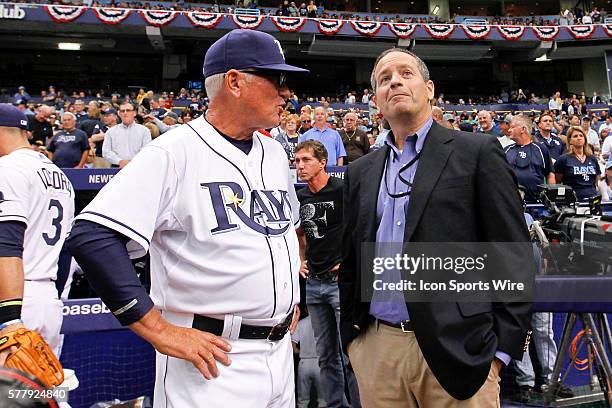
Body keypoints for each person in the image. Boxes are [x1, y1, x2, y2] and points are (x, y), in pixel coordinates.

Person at [67, 29, 308, 408]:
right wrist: (158, 330)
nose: (286, 92)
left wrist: (284, 295)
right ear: (234, 82)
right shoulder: (174, 151)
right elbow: (92, 236)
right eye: (276, 80)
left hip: (278, 352)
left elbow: (282, 230)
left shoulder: (275, 152)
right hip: (211, 361)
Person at [340, 48, 533, 407]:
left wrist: (502, 351)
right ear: (376, 102)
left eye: (405, 73)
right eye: (384, 79)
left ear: (429, 89)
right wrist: (353, 341)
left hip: (461, 350)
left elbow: (512, 252)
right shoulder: (360, 171)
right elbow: (352, 259)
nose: (394, 81)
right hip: (377, 349)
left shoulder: (476, 151)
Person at [0, 103, 74, 367]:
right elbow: (67, 250)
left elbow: (6, 245)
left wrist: (9, 317)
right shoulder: (59, 175)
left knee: (11, 397)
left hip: (13, 299)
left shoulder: (8, 169)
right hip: (47, 299)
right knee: (42, 394)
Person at [295, 141, 360, 408]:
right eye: (297, 161)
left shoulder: (342, 190)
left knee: (352, 354)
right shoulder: (301, 197)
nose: (300, 166)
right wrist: (300, 260)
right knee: (325, 356)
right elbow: (298, 232)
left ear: (323, 162)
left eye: (306, 160)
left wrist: (349, 260)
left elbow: (362, 226)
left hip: (339, 285)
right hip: (313, 284)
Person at [504, 115, 555, 203]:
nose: (509, 130)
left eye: (512, 127)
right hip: (511, 203)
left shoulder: (541, 149)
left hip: (537, 204)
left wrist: (551, 198)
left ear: (523, 129)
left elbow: (550, 174)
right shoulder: (506, 150)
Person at [554, 126, 601, 201]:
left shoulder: (592, 158)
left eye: (581, 135)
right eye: (575, 136)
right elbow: (557, 182)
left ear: (585, 139)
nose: (579, 138)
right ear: (569, 140)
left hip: (592, 199)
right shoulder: (563, 159)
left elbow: (596, 180)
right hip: (573, 200)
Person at [102, 102, 151, 168]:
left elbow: (146, 151)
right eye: (122, 111)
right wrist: (119, 161)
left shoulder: (144, 131)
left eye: (128, 110)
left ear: (134, 113)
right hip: (117, 168)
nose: (125, 113)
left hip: (138, 167)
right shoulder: (110, 132)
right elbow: (106, 152)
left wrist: (133, 162)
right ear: (119, 113)